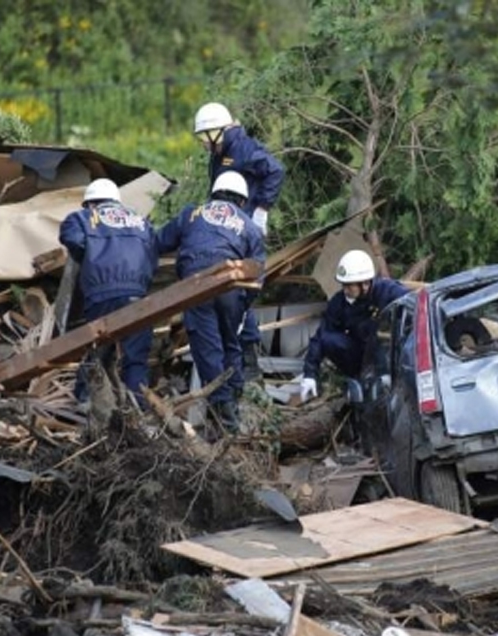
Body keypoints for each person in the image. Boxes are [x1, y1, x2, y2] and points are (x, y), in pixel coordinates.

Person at [156, 171, 266, 432]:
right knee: (231, 344)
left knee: (208, 351)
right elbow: (258, 272)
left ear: (214, 193)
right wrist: (242, 307)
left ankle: (225, 423)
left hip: (197, 286)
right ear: (242, 201)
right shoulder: (249, 226)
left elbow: (160, 241)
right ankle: (234, 408)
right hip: (232, 288)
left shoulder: (191, 213)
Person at [194, 102, 285, 380]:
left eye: (205, 138)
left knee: (240, 293)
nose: (204, 144)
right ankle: (241, 358)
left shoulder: (242, 148)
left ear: (218, 132)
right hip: (225, 231)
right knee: (232, 294)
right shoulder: (220, 152)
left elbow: (275, 171)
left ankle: (246, 357)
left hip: (241, 231)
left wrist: (261, 210)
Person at [59, 178, 157, 407]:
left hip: (101, 292)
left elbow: (72, 239)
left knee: (97, 351)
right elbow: (153, 253)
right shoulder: (140, 221)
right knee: (136, 359)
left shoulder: (81, 218)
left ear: (90, 203)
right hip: (137, 293)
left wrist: (93, 262)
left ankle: (85, 404)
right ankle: (137, 410)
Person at [301, 250, 410, 402]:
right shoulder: (339, 303)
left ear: (365, 283)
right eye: (343, 285)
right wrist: (309, 374)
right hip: (359, 355)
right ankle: (359, 381)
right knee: (328, 339)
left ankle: (387, 378)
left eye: (349, 286)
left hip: (391, 351)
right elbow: (320, 337)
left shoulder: (387, 291)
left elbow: (411, 304)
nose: (345, 290)